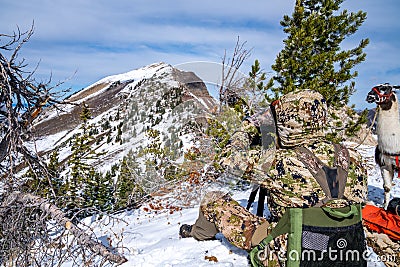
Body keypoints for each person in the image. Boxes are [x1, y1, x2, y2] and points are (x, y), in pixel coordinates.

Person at [179, 90, 368, 266]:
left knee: (213, 200)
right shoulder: (353, 156)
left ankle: (199, 232)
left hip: (296, 255)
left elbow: (226, 159)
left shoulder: (279, 162)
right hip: (347, 250)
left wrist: (250, 126)